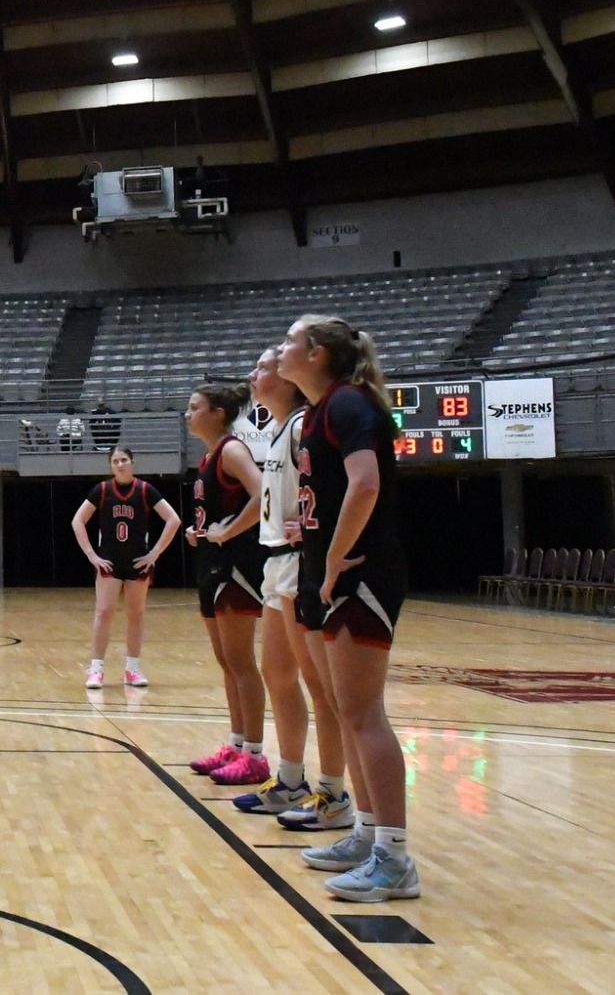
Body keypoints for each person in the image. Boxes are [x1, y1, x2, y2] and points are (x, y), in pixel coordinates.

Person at [277, 315, 418, 901]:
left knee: (364, 714)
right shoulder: (318, 412)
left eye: (289, 340)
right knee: (344, 707)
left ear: (314, 352)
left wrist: (334, 558)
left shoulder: (350, 405)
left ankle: (395, 859)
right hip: (329, 575)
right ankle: (365, 835)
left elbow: (365, 484)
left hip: (361, 575)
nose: (281, 349)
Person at [233, 350, 354, 829]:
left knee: (322, 688)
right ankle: (289, 780)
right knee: (277, 674)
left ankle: (334, 792)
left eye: (263, 368)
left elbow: (343, 481)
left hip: (299, 561)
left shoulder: (307, 422)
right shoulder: (283, 429)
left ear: (287, 382)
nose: (255, 374)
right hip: (275, 561)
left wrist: (316, 530)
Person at [183, 382, 270, 788]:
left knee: (241, 662)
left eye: (194, 407)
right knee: (226, 662)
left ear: (217, 412)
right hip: (212, 563)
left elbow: (264, 493)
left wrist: (231, 529)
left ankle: (254, 754)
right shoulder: (208, 456)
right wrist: (201, 531)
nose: (187, 413)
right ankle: (236, 745)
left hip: (237, 567)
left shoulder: (232, 451)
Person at [69, 446, 180, 690]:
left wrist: (155, 553)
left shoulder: (144, 490)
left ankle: (132, 669)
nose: (120, 464)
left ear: (132, 462)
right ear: (110, 465)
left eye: (124, 460)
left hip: (138, 562)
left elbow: (174, 520)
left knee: (136, 614)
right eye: (116, 461)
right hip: (109, 561)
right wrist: (92, 555)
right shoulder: (102, 490)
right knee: (104, 612)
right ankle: (96, 669)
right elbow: (77, 521)